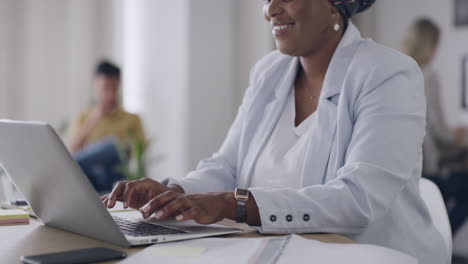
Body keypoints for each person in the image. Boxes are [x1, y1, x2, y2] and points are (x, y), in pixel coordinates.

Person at [103, 1, 448, 263]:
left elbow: (357, 200)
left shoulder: (387, 74)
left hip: (363, 254)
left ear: (333, 4)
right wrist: (174, 193)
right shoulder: (268, 72)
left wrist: (232, 204)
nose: (271, 9)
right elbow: (226, 166)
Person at [402, 18, 468, 235]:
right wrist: (459, 136)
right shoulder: (428, 75)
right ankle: (441, 240)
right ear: (429, 45)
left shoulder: (398, 71)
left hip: (405, 172)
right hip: (427, 171)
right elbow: (440, 133)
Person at [67, 61, 146, 192]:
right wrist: (94, 118)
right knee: (95, 155)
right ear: (95, 85)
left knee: (112, 146)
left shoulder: (132, 119)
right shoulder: (84, 117)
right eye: (105, 87)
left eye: (114, 88)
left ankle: (57, 168)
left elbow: (137, 154)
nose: (110, 93)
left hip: (115, 175)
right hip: (91, 175)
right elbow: (71, 151)